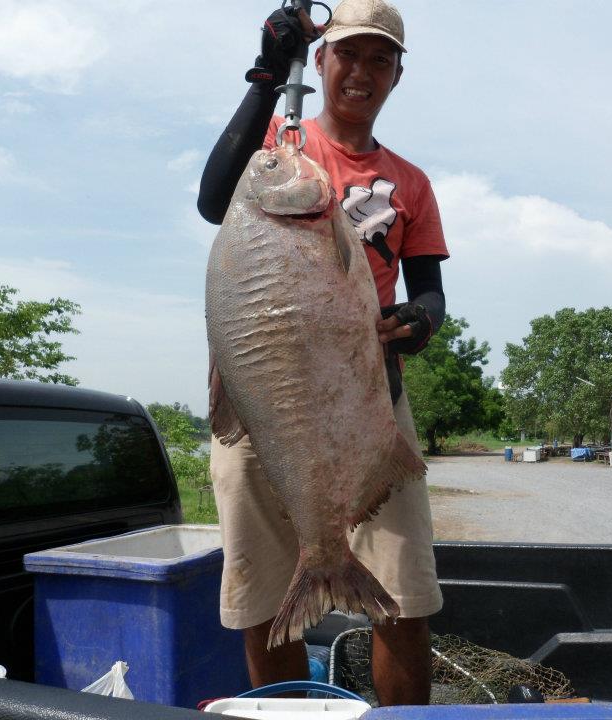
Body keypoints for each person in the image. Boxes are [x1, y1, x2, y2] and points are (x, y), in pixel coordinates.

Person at [197, 0, 448, 706]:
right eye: (348, 53)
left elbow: (430, 291)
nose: (362, 70)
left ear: (398, 74)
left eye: (380, 58)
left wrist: (421, 320)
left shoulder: (413, 182)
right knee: (265, 605)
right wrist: (265, 75)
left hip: (368, 403)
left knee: (402, 600)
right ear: (323, 60)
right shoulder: (277, 150)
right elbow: (214, 199)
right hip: (263, 406)